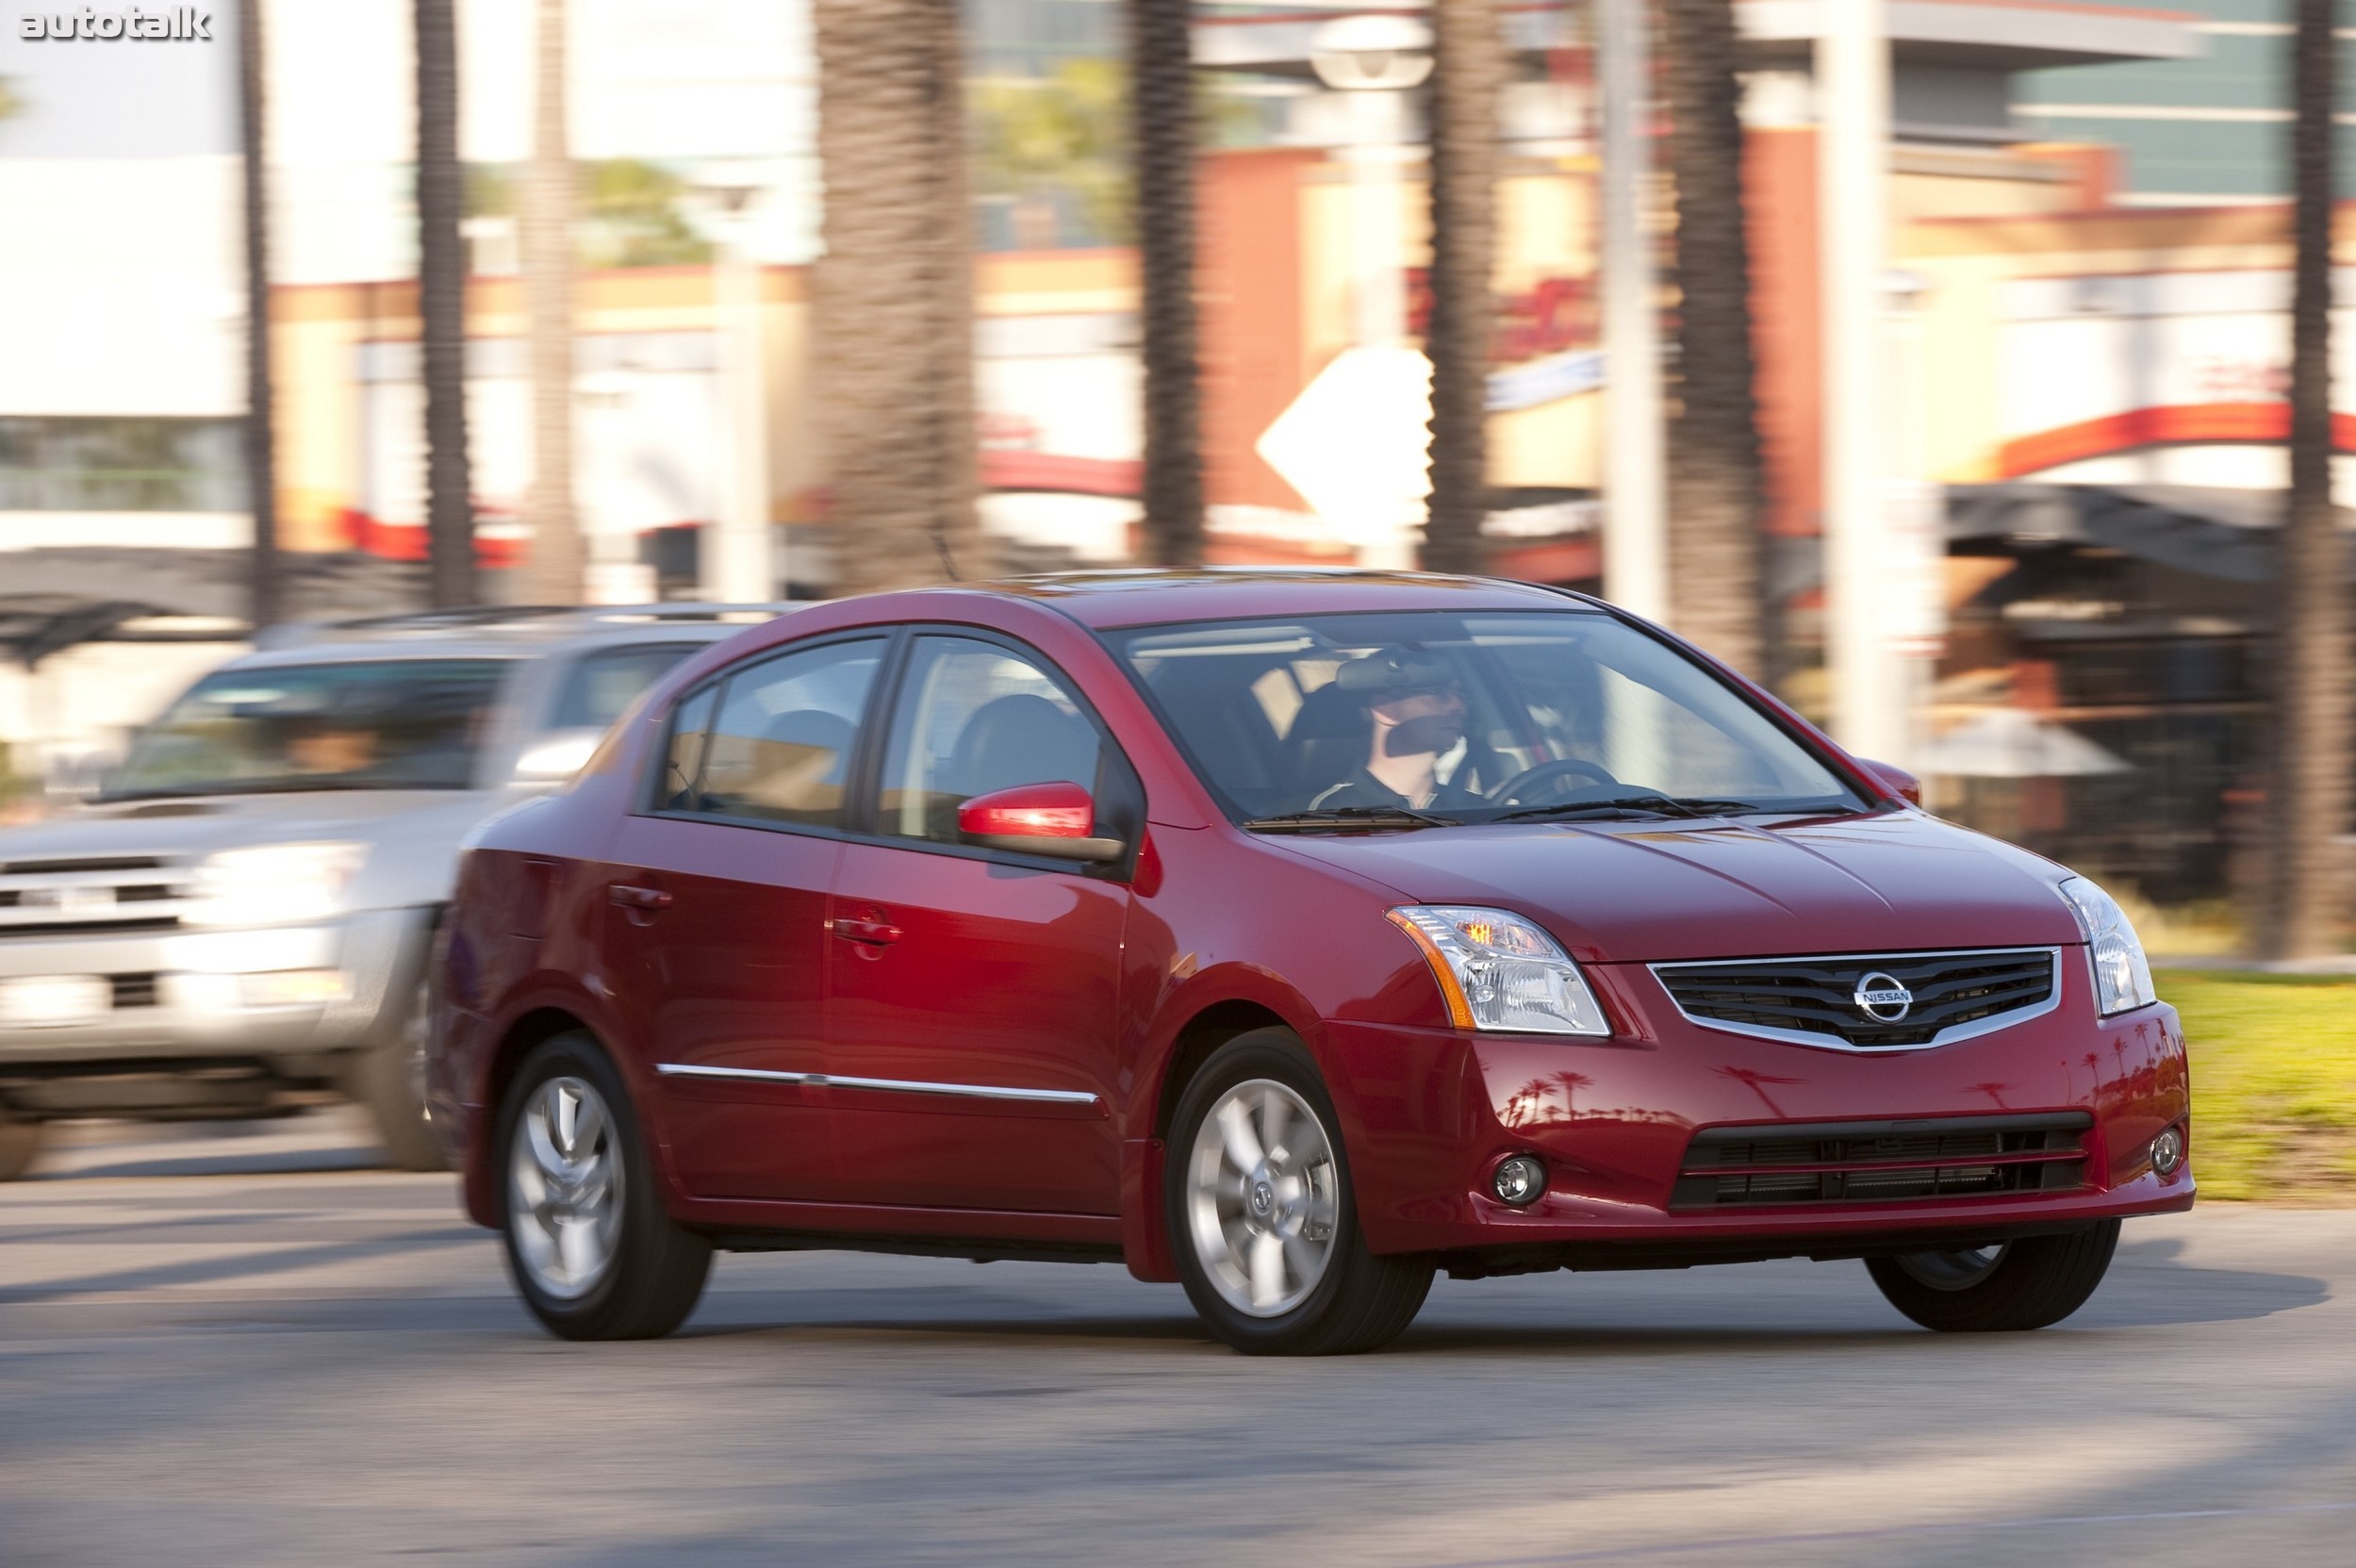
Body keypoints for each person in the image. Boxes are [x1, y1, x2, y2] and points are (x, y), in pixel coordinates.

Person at [1309, 647, 1483, 812]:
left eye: (1461, 695)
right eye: (1437, 692)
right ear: (1385, 709)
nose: (1459, 707)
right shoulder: (1331, 813)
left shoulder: (1478, 810)